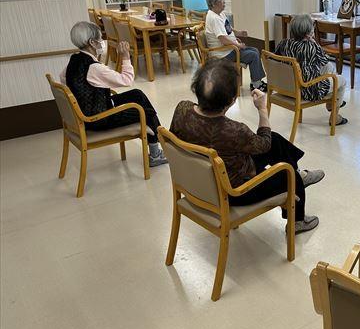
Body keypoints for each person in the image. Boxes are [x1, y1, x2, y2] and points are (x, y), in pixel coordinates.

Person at [170, 61, 323, 234]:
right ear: (232, 100)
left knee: (275, 140)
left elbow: (266, 143)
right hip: (233, 192)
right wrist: (262, 109)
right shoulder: (234, 131)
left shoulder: (182, 109)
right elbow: (263, 145)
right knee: (287, 174)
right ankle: (297, 218)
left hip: (199, 181)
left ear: (196, 89)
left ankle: (299, 176)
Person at [60, 21, 167, 167]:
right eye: (100, 39)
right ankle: (156, 153)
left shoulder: (74, 60)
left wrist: (84, 93)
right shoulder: (94, 68)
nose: (102, 42)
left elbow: (63, 78)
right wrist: (125, 57)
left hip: (89, 110)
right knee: (145, 111)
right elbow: (126, 80)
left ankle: (159, 143)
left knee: (137, 94)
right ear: (92, 42)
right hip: (99, 119)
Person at [275, 14, 348, 126]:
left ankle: (332, 102)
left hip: (288, 87)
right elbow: (324, 58)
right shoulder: (310, 47)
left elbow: (275, 59)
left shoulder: (284, 43)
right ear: (308, 32)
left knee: (328, 67)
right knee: (341, 80)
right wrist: (314, 43)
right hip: (307, 89)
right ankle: (334, 116)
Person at [204, 0, 267, 92]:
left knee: (255, 50)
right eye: (221, 0)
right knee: (253, 55)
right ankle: (256, 84)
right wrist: (237, 45)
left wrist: (239, 33)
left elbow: (228, 29)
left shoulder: (219, 14)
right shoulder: (214, 18)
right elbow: (223, 39)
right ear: (214, 3)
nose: (224, 1)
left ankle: (256, 82)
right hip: (223, 54)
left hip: (229, 49)